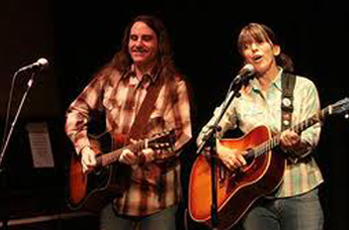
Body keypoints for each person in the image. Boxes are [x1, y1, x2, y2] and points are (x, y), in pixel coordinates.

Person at [65, 15, 192, 230]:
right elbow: (76, 111)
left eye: (146, 39)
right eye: (133, 38)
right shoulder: (111, 77)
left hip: (157, 199)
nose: (138, 44)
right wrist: (84, 147)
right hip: (113, 196)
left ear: (159, 43)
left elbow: (181, 136)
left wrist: (144, 155)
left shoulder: (173, 86)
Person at [197, 23, 324, 230]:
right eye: (246, 47)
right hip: (255, 198)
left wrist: (296, 143)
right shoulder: (238, 96)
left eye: (259, 42)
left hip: (300, 191)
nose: (253, 49)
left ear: (275, 49)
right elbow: (204, 137)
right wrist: (222, 151)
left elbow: (311, 139)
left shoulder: (303, 87)